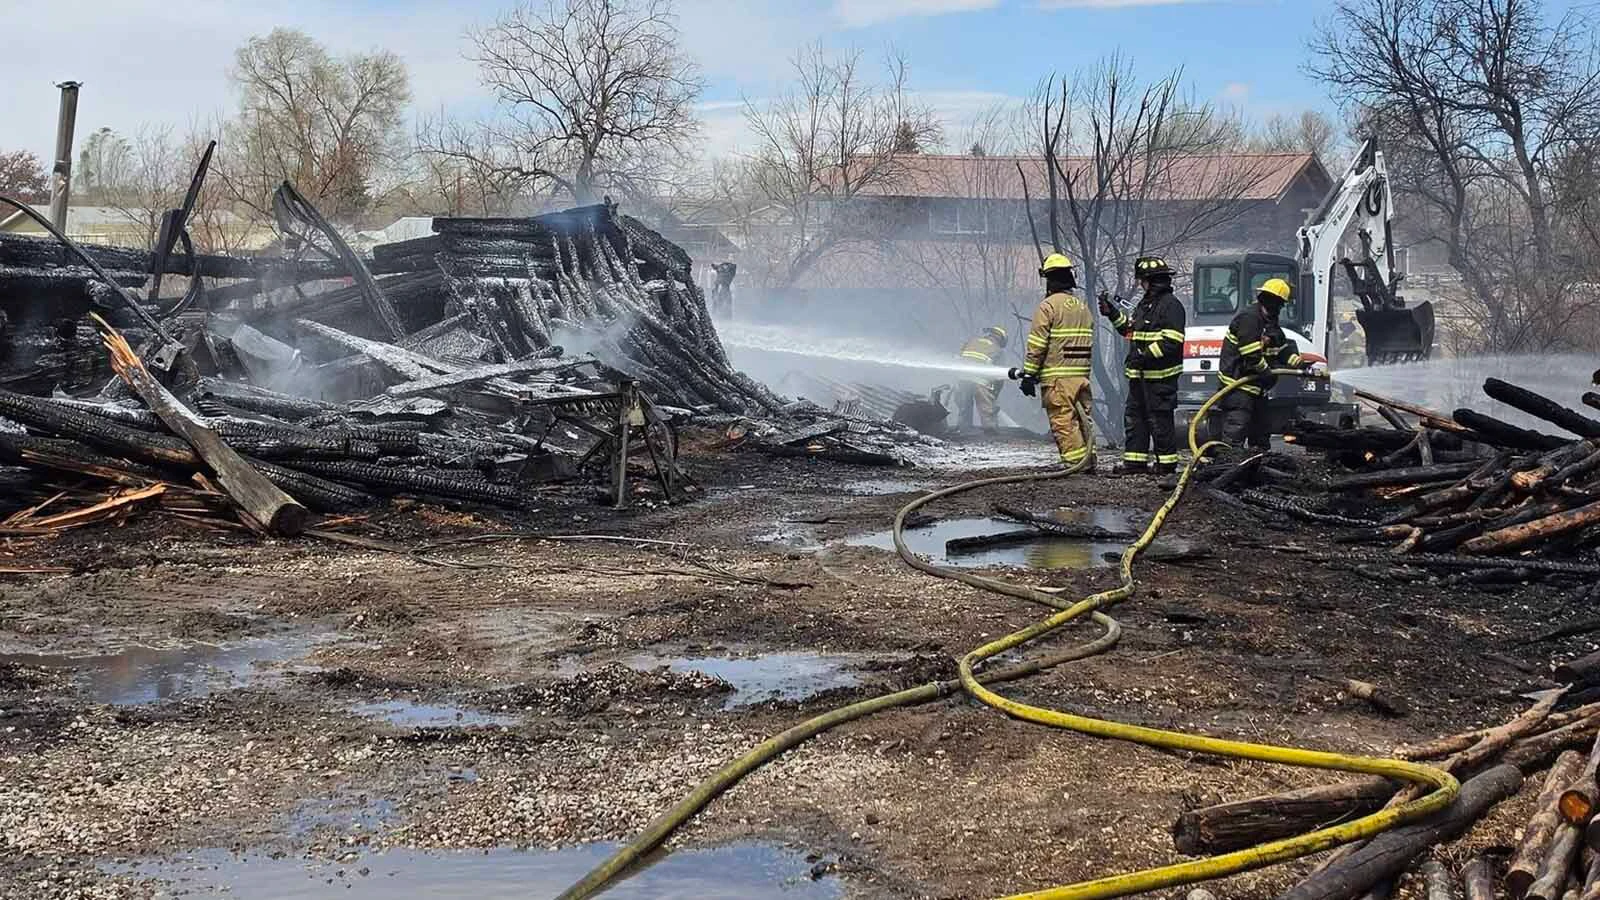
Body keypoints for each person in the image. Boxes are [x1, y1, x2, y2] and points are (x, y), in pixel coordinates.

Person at [1099, 256, 1187, 475]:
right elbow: (1130, 331)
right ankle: (1135, 463)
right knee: (1135, 419)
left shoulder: (1171, 306)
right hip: (1140, 377)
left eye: (1142, 281)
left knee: (1159, 421)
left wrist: (1146, 356)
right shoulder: (1146, 305)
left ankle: (1166, 465)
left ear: (1149, 280)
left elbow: (1172, 341)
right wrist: (1112, 313)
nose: (1140, 285)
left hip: (1160, 378)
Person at [1217, 277, 1317, 450]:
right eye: (1280, 303)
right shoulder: (1250, 318)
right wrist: (1267, 373)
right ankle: (1229, 466)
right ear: (1273, 301)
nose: (1281, 307)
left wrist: (1299, 364)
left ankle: (1260, 466)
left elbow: (1282, 348)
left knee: (1261, 433)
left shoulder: (1270, 321)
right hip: (1238, 387)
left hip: (1257, 388)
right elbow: (1251, 355)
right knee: (1236, 430)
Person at [1018, 254, 1094, 469]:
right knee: (1083, 420)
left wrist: (1029, 375)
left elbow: (1037, 344)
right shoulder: (1082, 307)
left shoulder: (1048, 306)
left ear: (1049, 280)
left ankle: (1075, 463)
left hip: (1058, 377)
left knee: (1063, 420)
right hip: (1081, 375)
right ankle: (1089, 460)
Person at [955, 326, 1007, 433]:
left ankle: (964, 429)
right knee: (986, 408)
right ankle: (990, 431)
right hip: (981, 382)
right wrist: (995, 393)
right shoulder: (997, 349)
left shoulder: (971, 342)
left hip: (963, 378)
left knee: (964, 406)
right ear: (1000, 339)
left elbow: (958, 359)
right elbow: (999, 375)